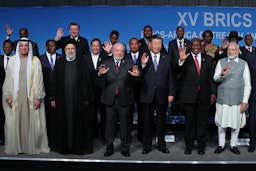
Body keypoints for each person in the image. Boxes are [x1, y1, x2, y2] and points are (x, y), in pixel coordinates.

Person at [2, 38, 50, 155]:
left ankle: (30, 146)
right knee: (15, 121)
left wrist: (38, 97)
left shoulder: (35, 61)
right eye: (21, 46)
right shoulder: (13, 61)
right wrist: (8, 95)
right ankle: (18, 147)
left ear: (29, 47)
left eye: (26, 46)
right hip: (16, 97)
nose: (24, 48)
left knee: (33, 122)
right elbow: (8, 79)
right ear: (18, 47)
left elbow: (39, 80)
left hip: (31, 97)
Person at [50, 38, 95, 155]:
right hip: (63, 99)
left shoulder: (81, 62)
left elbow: (87, 82)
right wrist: (53, 98)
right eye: (68, 49)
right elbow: (54, 82)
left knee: (78, 123)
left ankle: (77, 148)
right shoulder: (59, 63)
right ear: (64, 50)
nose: (70, 51)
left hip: (78, 100)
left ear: (75, 50)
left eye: (72, 48)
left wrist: (86, 98)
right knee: (63, 123)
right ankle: (64, 147)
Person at [98, 42, 140, 157]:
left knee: (125, 127)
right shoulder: (105, 63)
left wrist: (137, 75)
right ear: (112, 51)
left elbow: (137, 77)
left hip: (125, 100)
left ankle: (125, 148)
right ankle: (109, 148)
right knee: (109, 126)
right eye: (117, 50)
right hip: (109, 100)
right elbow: (99, 81)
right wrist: (100, 74)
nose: (119, 53)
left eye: (122, 51)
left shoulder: (129, 62)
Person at [176, 37, 217, 155]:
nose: (196, 47)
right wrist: (181, 61)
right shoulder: (186, 59)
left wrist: (213, 93)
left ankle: (201, 146)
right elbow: (177, 72)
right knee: (189, 123)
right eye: (193, 45)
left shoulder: (208, 59)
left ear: (202, 46)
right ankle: (189, 146)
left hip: (204, 96)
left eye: (198, 45)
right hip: (189, 96)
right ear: (190, 46)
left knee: (202, 122)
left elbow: (212, 79)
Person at [213, 42, 251, 154]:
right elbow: (215, 79)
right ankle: (221, 144)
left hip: (237, 100)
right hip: (223, 98)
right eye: (229, 49)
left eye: (233, 49)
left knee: (236, 123)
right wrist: (222, 74)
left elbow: (248, 85)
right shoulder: (221, 62)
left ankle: (233, 145)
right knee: (221, 123)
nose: (230, 51)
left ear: (238, 51)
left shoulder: (244, 64)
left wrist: (245, 101)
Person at [140, 34, 174, 155]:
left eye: (159, 44)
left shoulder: (167, 58)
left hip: (162, 95)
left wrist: (171, 93)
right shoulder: (143, 57)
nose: (157, 46)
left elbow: (171, 78)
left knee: (161, 122)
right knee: (147, 122)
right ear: (150, 44)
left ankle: (161, 145)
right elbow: (137, 74)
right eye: (155, 43)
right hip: (147, 94)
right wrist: (143, 65)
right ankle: (147, 146)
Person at [39, 39, 62, 149]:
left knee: (58, 118)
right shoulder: (40, 59)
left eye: (53, 46)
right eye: (49, 46)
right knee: (46, 118)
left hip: (59, 93)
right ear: (46, 46)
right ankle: (47, 140)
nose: (51, 47)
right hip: (44, 92)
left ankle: (57, 140)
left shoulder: (61, 58)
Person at [84, 38, 106, 139]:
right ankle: (93, 133)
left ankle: (104, 134)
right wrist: (97, 73)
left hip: (103, 91)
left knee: (104, 114)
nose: (96, 47)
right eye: (94, 45)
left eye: (98, 45)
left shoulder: (105, 57)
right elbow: (85, 74)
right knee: (91, 113)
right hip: (90, 90)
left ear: (100, 47)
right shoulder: (85, 58)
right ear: (90, 46)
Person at [168, 26, 191, 118]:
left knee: (184, 94)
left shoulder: (189, 43)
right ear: (176, 32)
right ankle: (174, 115)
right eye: (179, 31)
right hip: (174, 73)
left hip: (186, 73)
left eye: (182, 31)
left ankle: (184, 115)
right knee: (175, 94)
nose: (180, 32)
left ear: (184, 33)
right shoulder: (171, 43)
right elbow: (170, 57)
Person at [239, 34, 256, 152]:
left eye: (251, 39)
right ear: (245, 40)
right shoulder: (242, 52)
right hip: (249, 88)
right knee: (253, 118)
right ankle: (252, 143)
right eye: (247, 39)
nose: (249, 41)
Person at [125, 37, 143, 142]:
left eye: (136, 44)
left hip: (142, 90)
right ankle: (128, 136)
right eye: (132, 44)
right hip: (128, 90)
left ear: (139, 45)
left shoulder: (145, 56)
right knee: (128, 115)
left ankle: (141, 136)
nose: (134, 46)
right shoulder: (125, 57)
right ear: (129, 45)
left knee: (142, 115)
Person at [0, 40, 13, 145]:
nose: (7, 48)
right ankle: (1, 138)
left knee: (11, 117)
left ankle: (10, 138)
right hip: (0, 92)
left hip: (12, 93)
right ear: (2, 48)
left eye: (9, 47)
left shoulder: (15, 60)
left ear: (12, 48)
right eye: (5, 47)